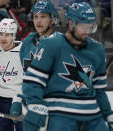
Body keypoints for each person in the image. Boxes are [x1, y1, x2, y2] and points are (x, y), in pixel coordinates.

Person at [21, 2, 113, 131]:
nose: (87, 32)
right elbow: (33, 81)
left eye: (90, 27)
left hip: (92, 116)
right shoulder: (50, 45)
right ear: (71, 23)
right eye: (82, 27)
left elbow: (99, 91)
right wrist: (35, 106)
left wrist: (109, 116)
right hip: (60, 115)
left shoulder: (97, 49)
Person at [9, 0, 59, 127]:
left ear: (52, 19)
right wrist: (17, 100)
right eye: (36, 16)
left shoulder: (62, 43)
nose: (39, 21)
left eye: (43, 16)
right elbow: (23, 76)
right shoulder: (27, 42)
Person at [0, 18, 23, 131]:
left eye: (7, 34)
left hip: (21, 101)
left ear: (14, 35)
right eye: (1, 34)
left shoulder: (24, 50)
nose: (3, 38)